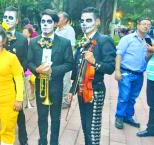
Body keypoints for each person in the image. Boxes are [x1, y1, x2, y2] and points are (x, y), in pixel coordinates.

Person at [68, 7, 116, 145]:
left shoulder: (104, 40)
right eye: (82, 20)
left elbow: (110, 68)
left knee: (93, 130)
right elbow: (79, 69)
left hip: (95, 90)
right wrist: (72, 90)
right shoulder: (83, 42)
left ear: (97, 22)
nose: (84, 23)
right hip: (82, 90)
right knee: (85, 126)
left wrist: (94, 62)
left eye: (88, 20)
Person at [0, 6, 29, 145]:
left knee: (19, 113)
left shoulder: (21, 39)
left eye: (10, 18)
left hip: (14, 84)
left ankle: (23, 140)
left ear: (16, 21)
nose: (7, 20)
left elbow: (25, 61)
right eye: (5, 17)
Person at [28, 9, 74, 145]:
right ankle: (42, 140)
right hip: (40, 84)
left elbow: (69, 64)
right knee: (42, 116)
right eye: (43, 21)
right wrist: (36, 69)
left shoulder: (64, 42)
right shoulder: (34, 41)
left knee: (55, 117)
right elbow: (29, 61)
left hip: (56, 85)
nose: (45, 24)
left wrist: (52, 71)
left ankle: (54, 141)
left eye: (49, 21)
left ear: (55, 24)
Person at [114, 17, 152, 130]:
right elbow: (119, 55)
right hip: (126, 73)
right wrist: (117, 71)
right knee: (124, 97)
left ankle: (128, 117)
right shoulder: (127, 39)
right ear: (138, 25)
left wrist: (150, 52)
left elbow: (147, 58)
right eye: (144, 24)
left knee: (132, 98)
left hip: (139, 74)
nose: (146, 26)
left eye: (148, 25)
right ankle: (119, 117)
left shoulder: (149, 41)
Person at [55, 11, 76, 109]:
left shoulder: (69, 30)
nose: (56, 20)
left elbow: (72, 46)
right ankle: (58, 99)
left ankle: (66, 101)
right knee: (59, 80)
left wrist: (68, 61)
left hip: (65, 61)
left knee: (66, 80)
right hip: (57, 61)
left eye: (58, 18)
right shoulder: (57, 30)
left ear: (65, 20)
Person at [137, 41, 154, 137]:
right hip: (151, 77)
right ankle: (151, 129)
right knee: (152, 105)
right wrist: (149, 53)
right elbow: (148, 58)